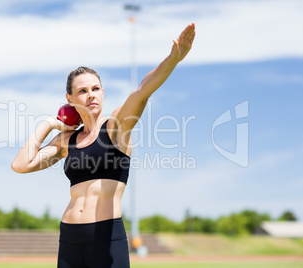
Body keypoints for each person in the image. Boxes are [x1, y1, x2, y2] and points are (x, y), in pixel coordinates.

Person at [12, 22, 196, 268]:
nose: (91, 95)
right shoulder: (67, 141)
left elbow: (141, 92)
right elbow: (21, 165)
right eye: (83, 91)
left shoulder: (116, 127)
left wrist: (173, 59)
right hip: (69, 239)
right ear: (69, 99)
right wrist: (48, 124)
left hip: (106, 239)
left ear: (103, 93)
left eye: (96, 88)